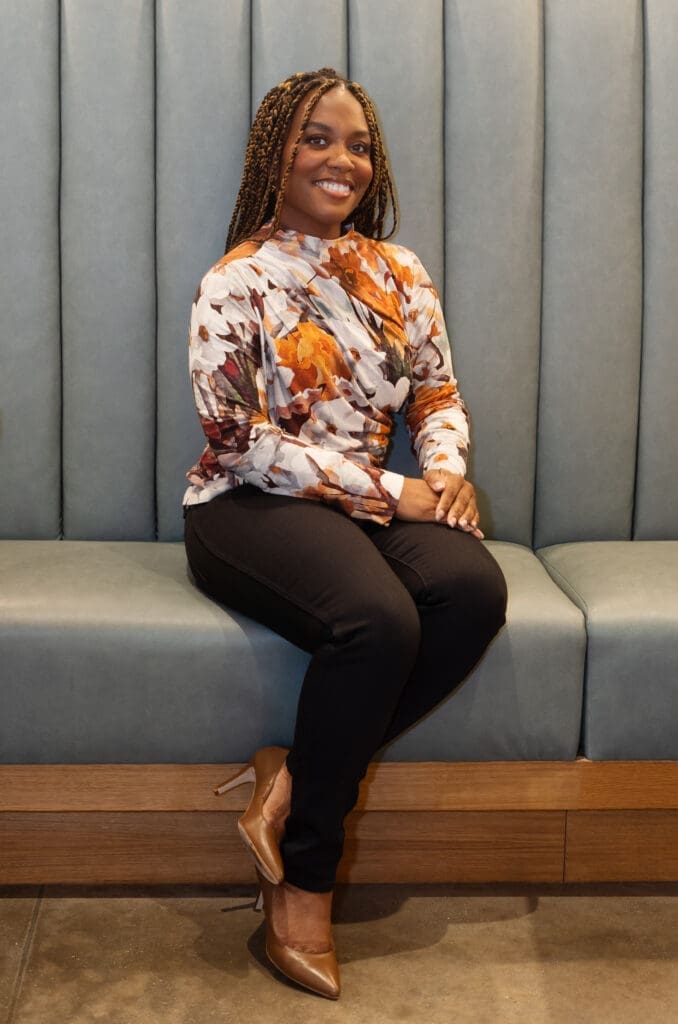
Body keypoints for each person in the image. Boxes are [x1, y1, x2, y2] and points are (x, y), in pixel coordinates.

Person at [183, 68, 507, 1000]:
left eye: (359, 144)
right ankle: (304, 883)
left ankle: (290, 781)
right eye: (317, 139)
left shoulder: (397, 270)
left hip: (372, 499)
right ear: (274, 155)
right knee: (380, 622)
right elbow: (238, 441)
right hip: (246, 506)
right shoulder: (234, 280)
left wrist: (444, 471)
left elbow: (437, 393)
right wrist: (398, 491)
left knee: (473, 589)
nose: (343, 160)